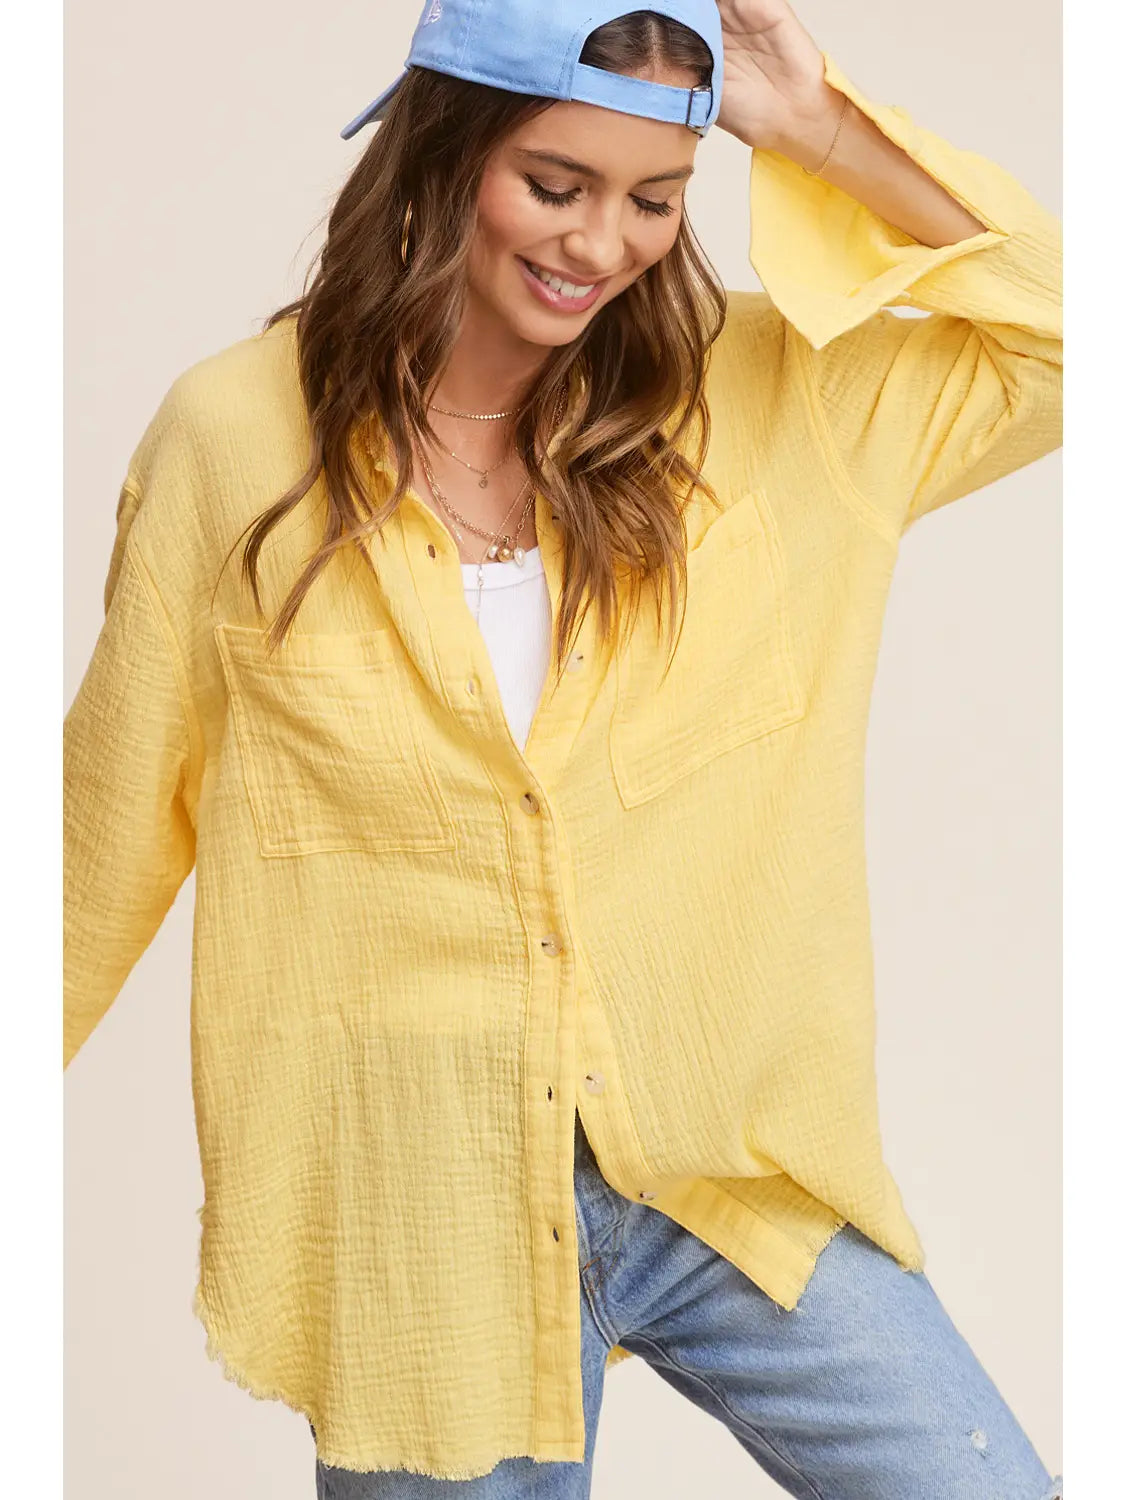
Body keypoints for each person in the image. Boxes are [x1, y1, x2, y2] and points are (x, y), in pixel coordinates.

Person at [63, 0, 1063, 1495]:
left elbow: (1067, 338)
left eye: (655, 198)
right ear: (445, 151)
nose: (602, 244)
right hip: (428, 1220)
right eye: (555, 184)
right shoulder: (233, 438)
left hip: (724, 1177)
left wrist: (814, 129)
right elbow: (100, 832)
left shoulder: (769, 397)